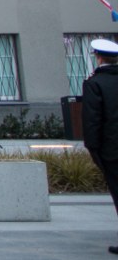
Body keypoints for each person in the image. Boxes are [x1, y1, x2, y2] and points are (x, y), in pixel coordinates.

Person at [83, 37, 118, 255]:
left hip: (112, 150)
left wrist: (94, 149)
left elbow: (92, 120)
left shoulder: (95, 83)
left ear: (98, 57)